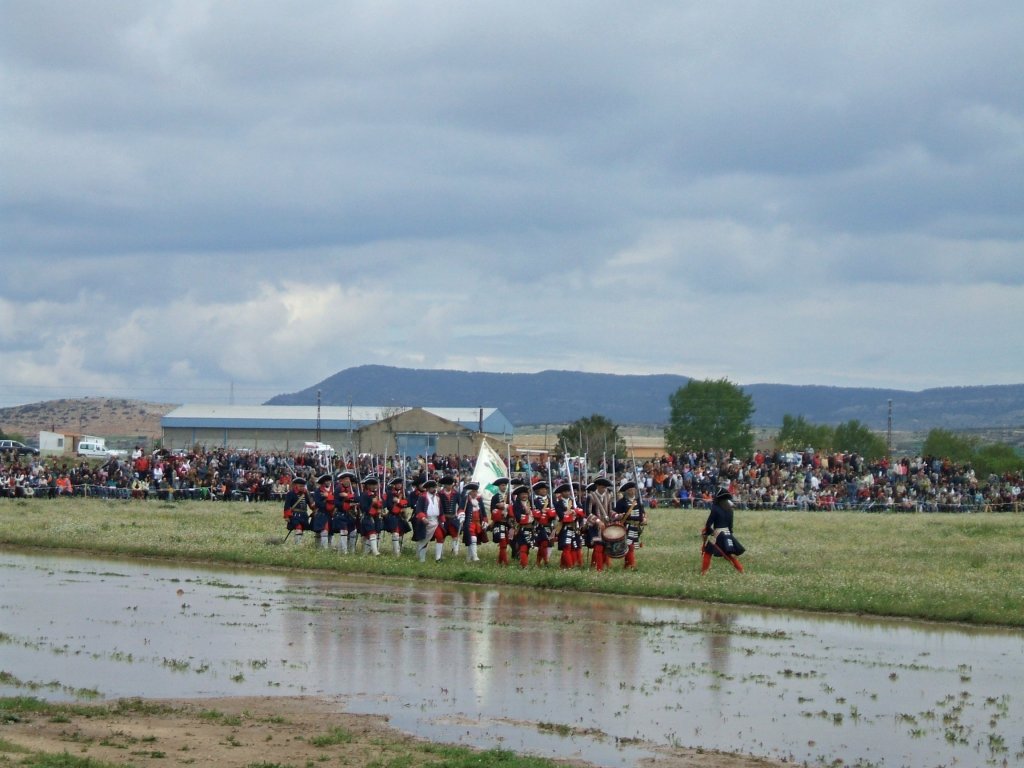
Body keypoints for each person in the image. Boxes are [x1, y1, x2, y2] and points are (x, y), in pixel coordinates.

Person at [701, 487, 745, 574]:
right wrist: (729, 536)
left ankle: (704, 572)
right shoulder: (730, 510)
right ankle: (741, 570)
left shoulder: (715, 508)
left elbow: (708, 524)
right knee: (728, 555)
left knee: (708, 552)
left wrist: (709, 532)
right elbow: (730, 526)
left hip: (718, 534)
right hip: (727, 533)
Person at [614, 480, 646, 569]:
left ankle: (627, 565)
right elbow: (615, 513)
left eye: (633, 489)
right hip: (627, 527)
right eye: (630, 490)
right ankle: (632, 565)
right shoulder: (621, 502)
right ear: (627, 491)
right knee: (629, 546)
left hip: (636, 527)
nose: (633, 491)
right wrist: (619, 516)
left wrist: (644, 519)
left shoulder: (638, 501)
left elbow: (642, 513)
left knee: (632, 546)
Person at [586, 477, 614, 571]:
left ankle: (599, 564)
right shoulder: (590, 496)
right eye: (602, 487)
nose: (604, 489)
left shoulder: (608, 496)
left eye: (605, 488)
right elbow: (588, 513)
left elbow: (610, 511)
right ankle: (599, 568)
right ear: (597, 486)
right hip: (594, 526)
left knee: (605, 545)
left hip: (605, 525)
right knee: (598, 545)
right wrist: (597, 521)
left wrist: (617, 515)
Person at [412, 478, 444, 562]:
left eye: (435, 487)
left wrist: (442, 520)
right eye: (432, 487)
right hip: (426, 521)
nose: (434, 489)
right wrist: (423, 518)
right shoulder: (423, 497)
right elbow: (419, 510)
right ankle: (422, 559)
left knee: (440, 537)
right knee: (424, 540)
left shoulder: (437, 498)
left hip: (435, 521)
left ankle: (438, 558)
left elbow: (441, 510)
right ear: (428, 488)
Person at [383, 476, 412, 556]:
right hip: (393, 515)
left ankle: (399, 549)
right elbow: (389, 505)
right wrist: (401, 504)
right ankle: (396, 553)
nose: (399, 485)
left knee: (401, 534)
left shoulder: (404, 492)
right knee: (395, 534)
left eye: (400, 484)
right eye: (397, 484)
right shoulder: (390, 493)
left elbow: (408, 503)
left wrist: (399, 501)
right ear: (394, 485)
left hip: (401, 516)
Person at [331, 471, 358, 554]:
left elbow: (357, 499)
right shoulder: (338, 489)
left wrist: (348, 496)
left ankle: (351, 551)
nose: (347, 481)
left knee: (353, 532)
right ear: (341, 481)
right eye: (345, 479)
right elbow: (336, 503)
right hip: (341, 513)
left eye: (348, 479)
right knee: (344, 532)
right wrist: (348, 504)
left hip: (351, 514)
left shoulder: (353, 489)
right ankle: (345, 551)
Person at [460, 481, 487, 562]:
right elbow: (461, 509)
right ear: (469, 492)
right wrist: (461, 515)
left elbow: (483, 511)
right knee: (473, 538)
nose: (475, 493)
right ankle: (475, 557)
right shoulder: (466, 499)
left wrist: (485, 520)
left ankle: (469, 557)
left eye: (476, 491)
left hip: (478, 523)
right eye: (473, 491)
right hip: (469, 523)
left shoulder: (479, 499)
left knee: (471, 540)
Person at [357, 474, 384, 555]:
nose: (374, 486)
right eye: (371, 484)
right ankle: (375, 552)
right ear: (367, 486)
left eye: (374, 484)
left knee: (371, 536)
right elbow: (364, 507)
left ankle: (365, 554)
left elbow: (382, 505)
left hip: (376, 517)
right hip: (367, 517)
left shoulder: (377, 495)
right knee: (372, 533)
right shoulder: (364, 495)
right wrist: (373, 503)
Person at [282, 477, 314, 545]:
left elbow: (310, 504)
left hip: (304, 514)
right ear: (295, 485)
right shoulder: (290, 494)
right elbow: (287, 505)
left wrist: (314, 509)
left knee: (302, 528)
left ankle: (299, 542)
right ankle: (298, 545)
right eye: (300, 486)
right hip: (295, 515)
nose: (302, 487)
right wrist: (287, 516)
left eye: (303, 486)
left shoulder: (306, 494)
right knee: (298, 527)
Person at [511, 484, 535, 568]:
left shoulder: (531, 503)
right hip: (521, 529)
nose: (524, 496)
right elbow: (518, 518)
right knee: (523, 547)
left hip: (531, 529)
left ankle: (523, 560)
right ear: (519, 495)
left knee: (527, 547)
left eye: (526, 494)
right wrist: (527, 513)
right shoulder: (516, 505)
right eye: (522, 494)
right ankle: (524, 565)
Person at [310, 473, 335, 548]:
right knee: (323, 531)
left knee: (330, 532)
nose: (328, 482)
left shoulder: (333, 490)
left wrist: (329, 497)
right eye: (326, 481)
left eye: (329, 480)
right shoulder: (318, 491)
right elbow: (318, 503)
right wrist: (328, 506)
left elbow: (336, 500)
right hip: (321, 513)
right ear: (323, 482)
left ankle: (329, 547)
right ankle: (323, 549)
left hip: (331, 514)